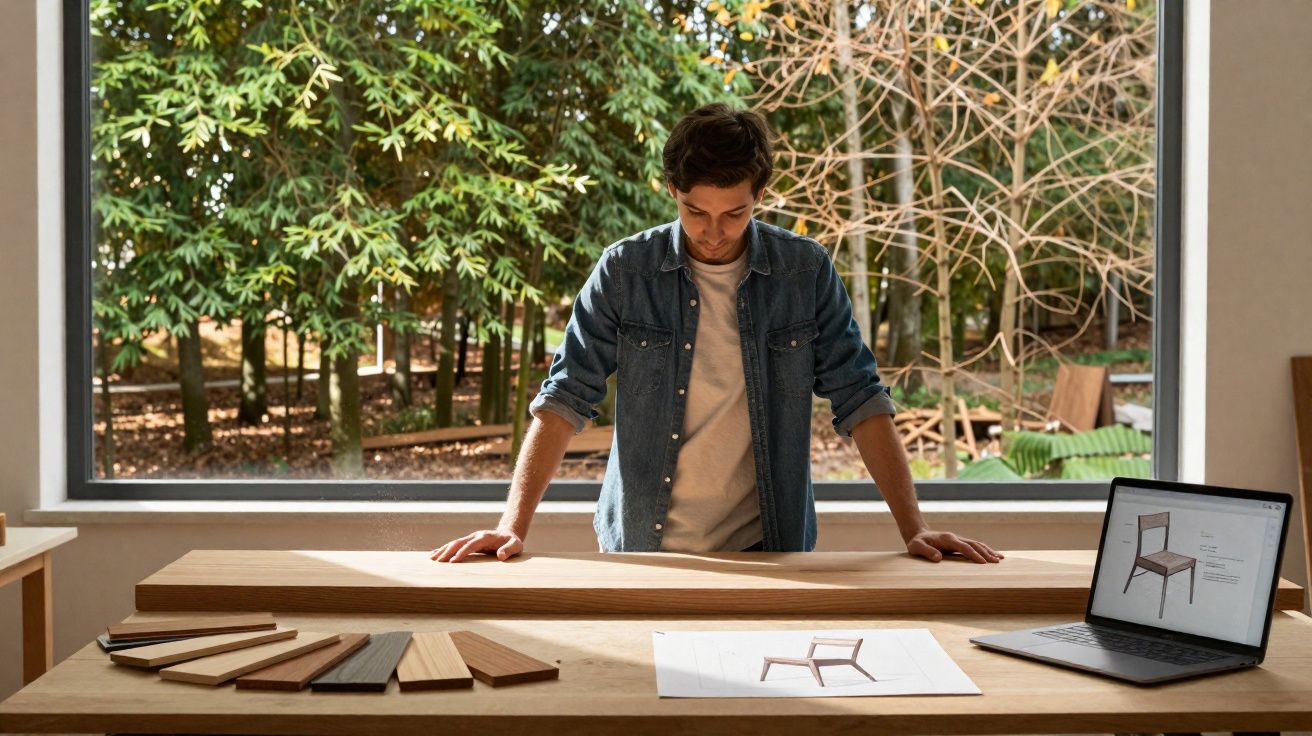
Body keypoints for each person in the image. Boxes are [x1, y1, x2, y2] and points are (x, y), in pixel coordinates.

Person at [432, 103, 1002, 565]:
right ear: (672, 191)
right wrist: (511, 527)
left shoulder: (804, 272)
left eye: (735, 213)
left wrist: (915, 528)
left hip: (769, 547)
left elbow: (860, 399)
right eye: (694, 211)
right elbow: (564, 399)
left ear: (759, 196)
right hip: (643, 548)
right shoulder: (625, 271)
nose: (712, 232)